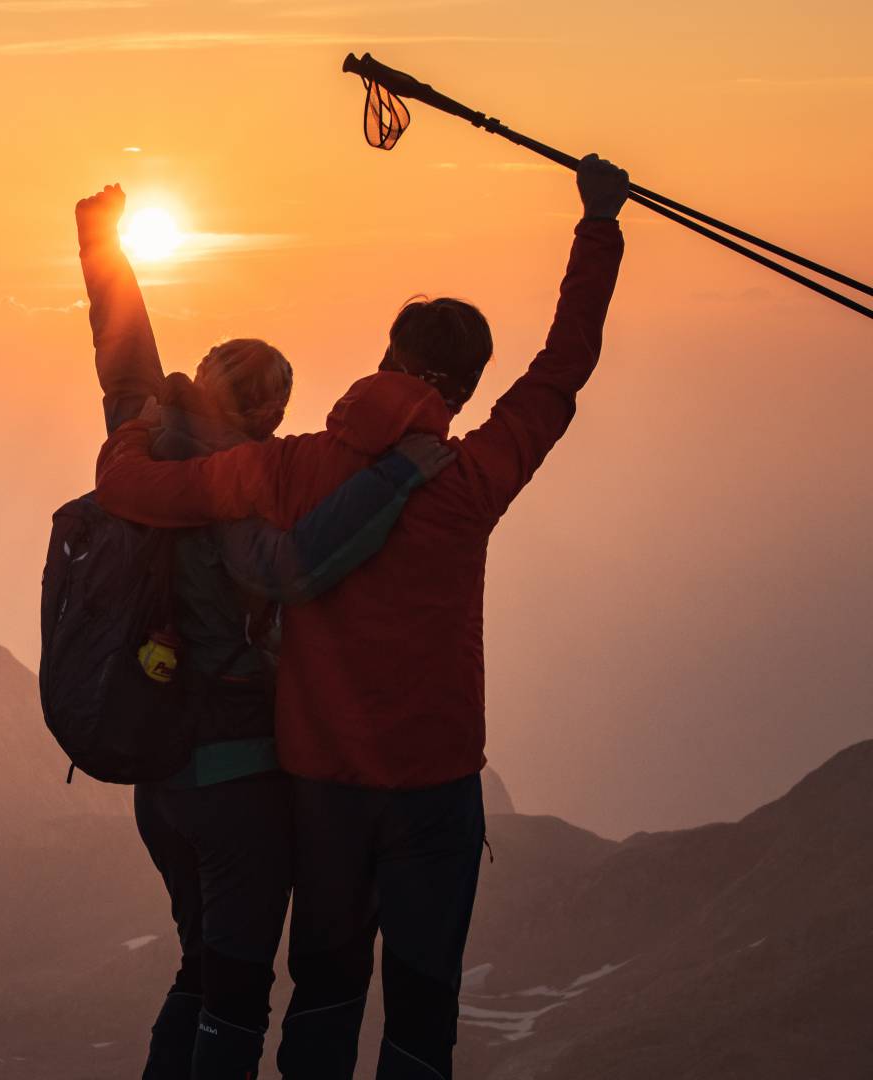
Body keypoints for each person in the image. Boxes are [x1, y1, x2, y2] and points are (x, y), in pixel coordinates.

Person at [92, 155, 631, 1078]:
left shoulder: (287, 468)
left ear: (385, 356)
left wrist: (140, 425)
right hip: (435, 783)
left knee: (326, 992)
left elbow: (130, 488)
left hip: (322, 785)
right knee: (422, 1011)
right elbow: (560, 373)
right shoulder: (470, 480)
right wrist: (598, 227)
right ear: (460, 390)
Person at [75, 184, 455, 1078]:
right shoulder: (235, 479)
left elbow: (123, 360)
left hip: (156, 773)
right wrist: (391, 479)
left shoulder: (143, 431)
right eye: (276, 403)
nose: (283, 418)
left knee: (200, 966)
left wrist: (102, 245)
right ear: (264, 411)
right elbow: (286, 569)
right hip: (236, 777)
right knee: (237, 995)